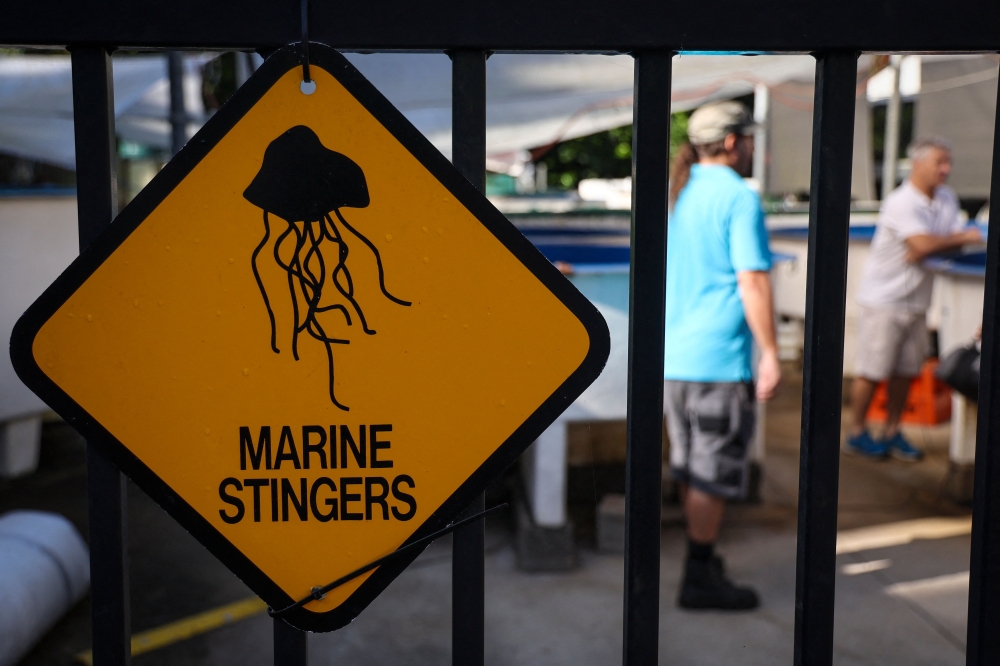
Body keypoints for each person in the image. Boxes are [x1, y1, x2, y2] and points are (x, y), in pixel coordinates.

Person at [663, 101, 781, 610]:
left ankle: (703, 565)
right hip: (717, 361)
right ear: (733, 143)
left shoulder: (680, 192)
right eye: (749, 138)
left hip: (674, 358)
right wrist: (772, 354)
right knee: (710, 474)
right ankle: (698, 577)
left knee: (693, 468)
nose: (753, 147)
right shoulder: (738, 197)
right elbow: (751, 278)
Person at [848, 137, 983, 461]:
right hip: (885, 299)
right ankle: (856, 433)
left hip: (918, 300)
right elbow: (926, 246)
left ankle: (893, 431)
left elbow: (932, 245)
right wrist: (953, 239)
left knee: (907, 370)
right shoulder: (901, 201)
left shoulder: (946, 198)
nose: (946, 170)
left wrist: (938, 242)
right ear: (919, 165)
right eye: (940, 163)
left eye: (947, 162)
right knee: (872, 369)